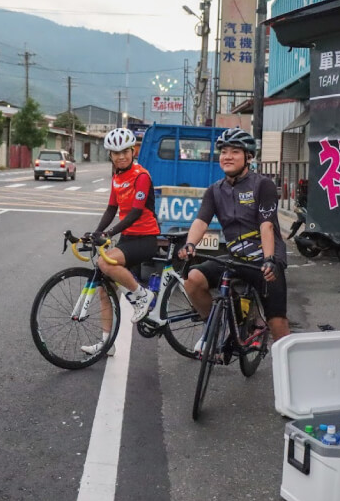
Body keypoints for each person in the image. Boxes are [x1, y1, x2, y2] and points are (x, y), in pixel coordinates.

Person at [177, 127, 291, 352]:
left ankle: (291, 370)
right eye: (224, 152)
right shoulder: (214, 190)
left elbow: (266, 225)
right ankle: (215, 325)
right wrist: (190, 243)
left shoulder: (262, 185)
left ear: (248, 156)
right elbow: (201, 221)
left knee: (278, 325)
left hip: (264, 261)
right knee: (193, 279)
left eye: (235, 152)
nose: (227, 157)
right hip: (236, 257)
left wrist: (270, 259)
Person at [80, 127, 161, 356]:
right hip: (128, 238)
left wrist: (109, 234)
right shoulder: (117, 176)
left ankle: (143, 296)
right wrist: (95, 233)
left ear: (132, 150)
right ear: (110, 155)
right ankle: (107, 343)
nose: (121, 156)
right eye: (116, 153)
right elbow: (111, 208)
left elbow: (135, 212)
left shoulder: (141, 176)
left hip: (145, 238)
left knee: (104, 264)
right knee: (105, 289)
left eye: (125, 151)